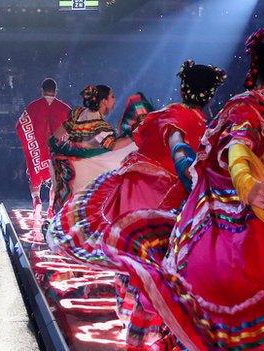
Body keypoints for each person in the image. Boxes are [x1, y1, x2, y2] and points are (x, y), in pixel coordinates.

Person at [105, 27, 264, 349]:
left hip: (224, 222)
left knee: (197, 299)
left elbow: (237, 146)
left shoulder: (245, 107)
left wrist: (243, 180)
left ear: (255, 64)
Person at [47, 61, 226, 349]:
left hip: (139, 191)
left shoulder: (167, 114)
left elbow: (137, 138)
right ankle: (145, 330)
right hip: (167, 199)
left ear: (184, 88)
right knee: (155, 266)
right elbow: (178, 152)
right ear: (210, 95)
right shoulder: (203, 123)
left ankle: (136, 322)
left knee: (136, 259)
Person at [49, 84, 137, 214]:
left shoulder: (78, 113)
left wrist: (59, 149)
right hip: (86, 173)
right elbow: (113, 146)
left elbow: (55, 137)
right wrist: (134, 138)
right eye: (112, 96)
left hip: (69, 168)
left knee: (71, 212)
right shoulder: (100, 125)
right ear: (104, 101)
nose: (115, 100)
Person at [15, 78, 71, 220]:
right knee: (56, 180)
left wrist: (31, 144)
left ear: (42, 90)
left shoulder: (33, 107)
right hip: (56, 151)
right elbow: (73, 128)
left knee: (33, 177)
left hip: (38, 151)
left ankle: (37, 200)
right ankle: (51, 207)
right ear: (56, 91)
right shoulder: (65, 108)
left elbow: (20, 126)